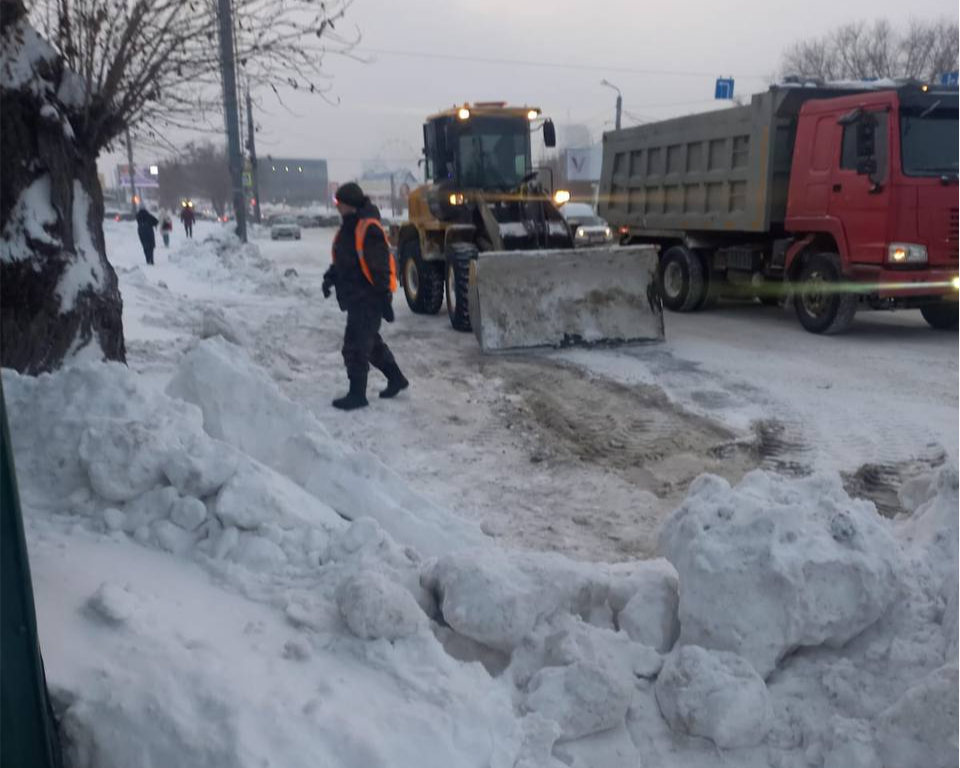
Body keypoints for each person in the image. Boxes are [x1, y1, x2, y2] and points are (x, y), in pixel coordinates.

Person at [322, 182, 408, 410]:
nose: (337, 207)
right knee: (371, 344)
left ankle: (357, 394)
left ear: (349, 204)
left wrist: (385, 299)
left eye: (339, 203)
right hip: (355, 298)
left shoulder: (368, 228)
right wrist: (330, 278)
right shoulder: (349, 227)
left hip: (368, 298)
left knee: (355, 346)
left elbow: (380, 267)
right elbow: (345, 261)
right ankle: (396, 378)